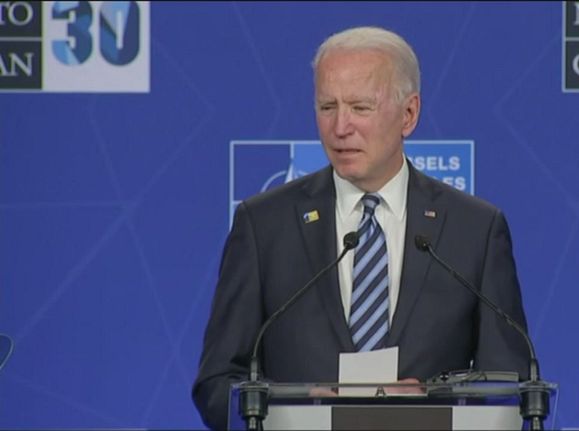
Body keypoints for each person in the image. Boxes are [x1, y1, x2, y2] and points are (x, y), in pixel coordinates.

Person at [192, 26, 531, 430]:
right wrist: (289, 410)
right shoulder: (264, 225)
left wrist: (434, 405)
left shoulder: (474, 229)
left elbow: (511, 391)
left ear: (409, 114)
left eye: (360, 107)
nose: (340, 127)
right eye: (327, 106)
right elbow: (217, 383)